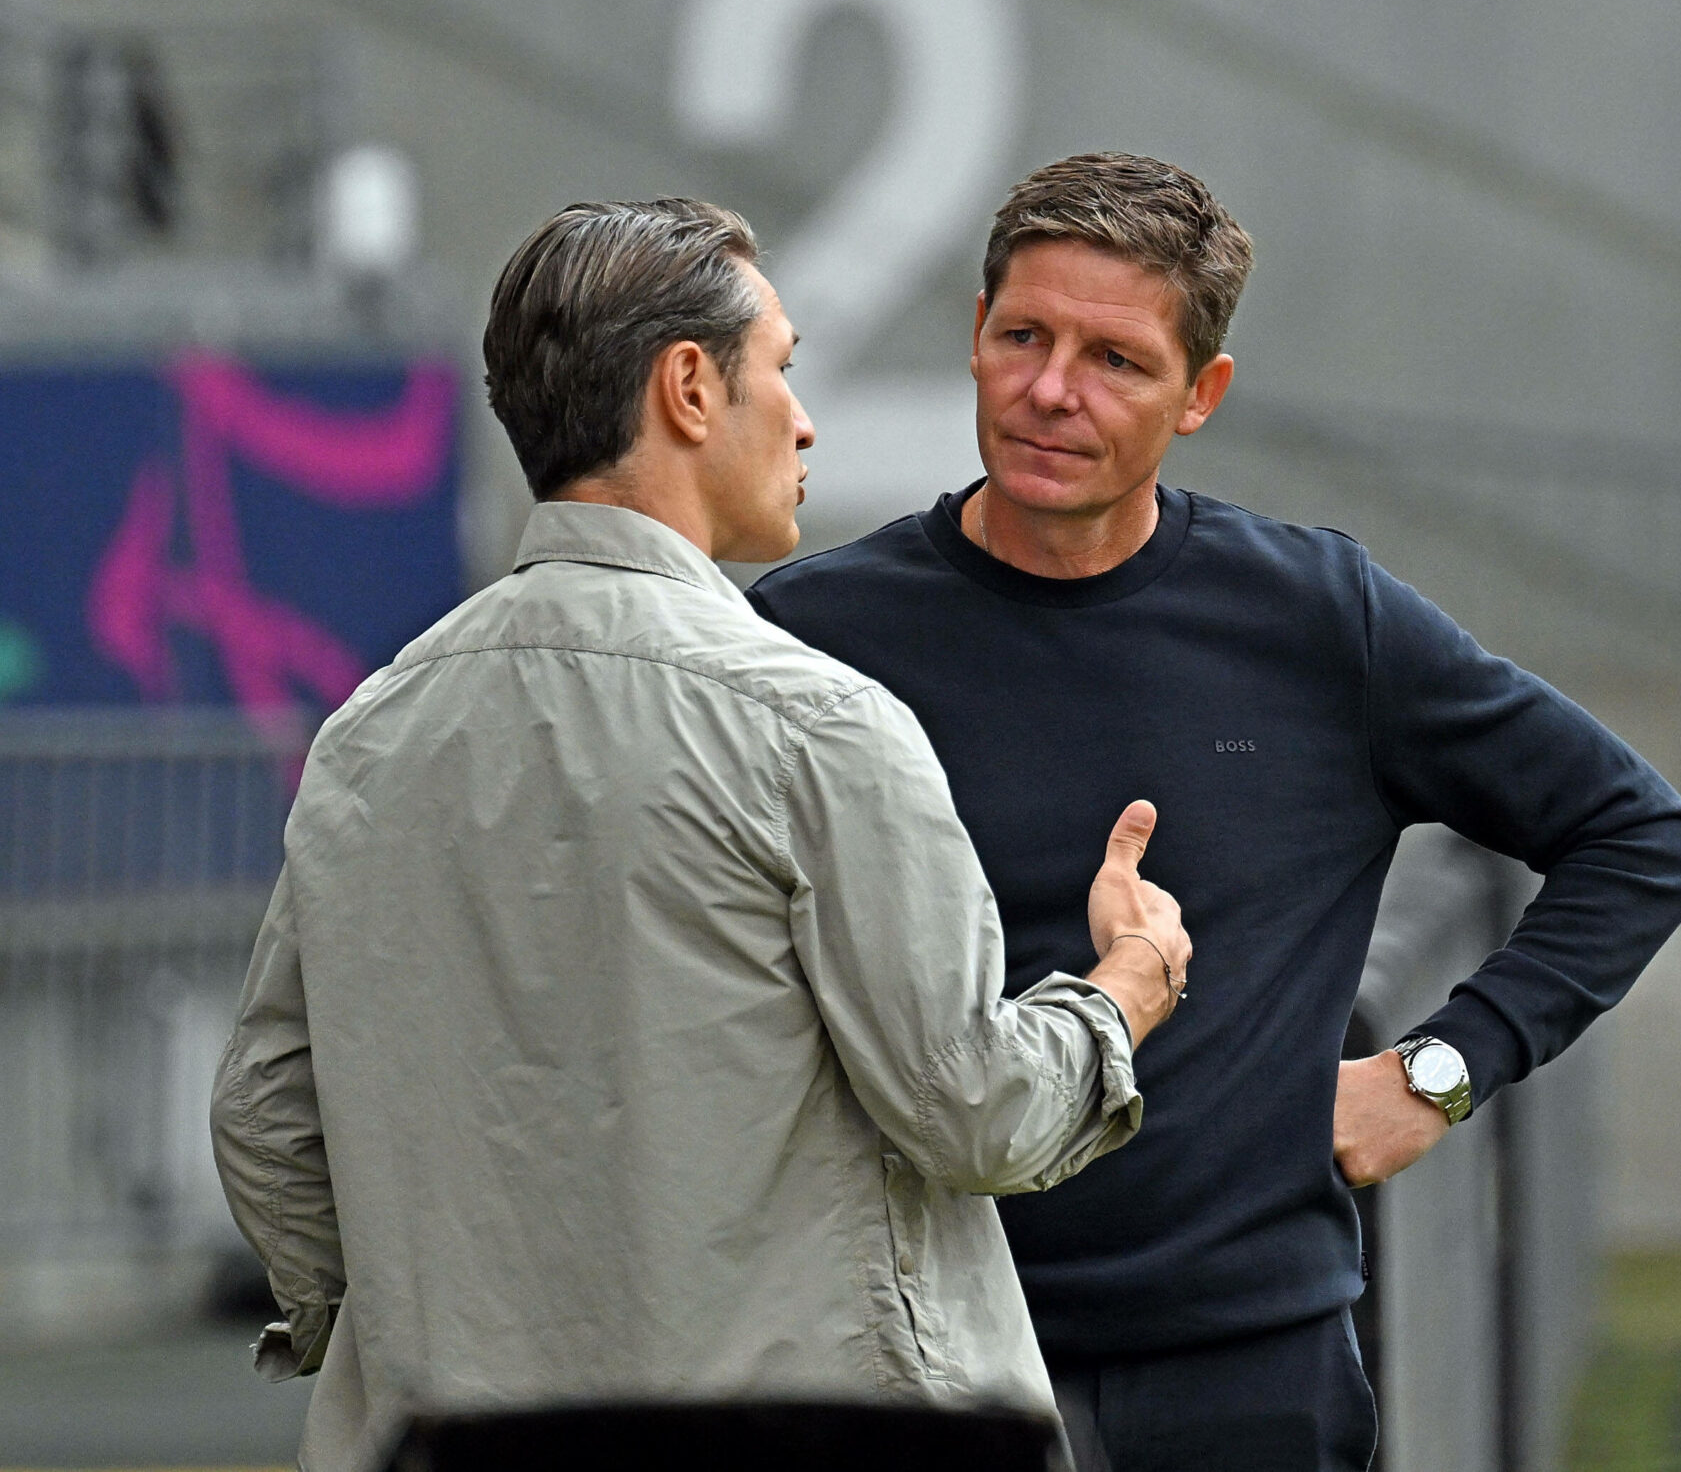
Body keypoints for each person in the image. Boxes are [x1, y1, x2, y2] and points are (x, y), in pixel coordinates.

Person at [749, 154, 1681, 1470]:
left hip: (1247, 1367)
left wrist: (1435, 1073)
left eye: (1115, 360)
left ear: (1200, 394)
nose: (1050, 389)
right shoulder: (807, 642)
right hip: (908, 1358)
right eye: (1023, 335)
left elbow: (1644, 836)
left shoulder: (1315, 618)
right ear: (975, 334)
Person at [210, 197, 1194, 1472]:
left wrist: (416, 1319)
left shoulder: (367, 736)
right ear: (687, 387)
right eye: (781, 367)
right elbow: (972, 1106)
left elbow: (265, 1119)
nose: (804, 414)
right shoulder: (816, 723)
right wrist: (1127, 990)